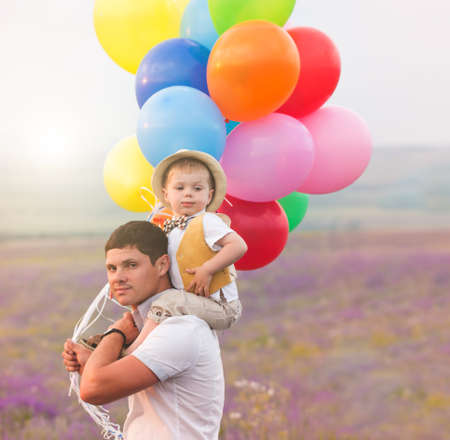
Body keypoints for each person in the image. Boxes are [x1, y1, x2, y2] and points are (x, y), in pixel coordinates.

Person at [62, 221, 225, 439]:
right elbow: (116, 381)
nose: (118, 277)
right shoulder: (151, 328)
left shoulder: (180, 328)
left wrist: (115, 334)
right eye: (112, 268)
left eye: (131, 265)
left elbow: (94, 389)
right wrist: (89, 362)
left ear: (162, 265)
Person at [125, 149, 247, 352]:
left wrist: (207, 269)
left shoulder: (206, 221)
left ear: (209, 196)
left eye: (197, 188)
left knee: (169, 301)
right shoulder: (170, 227)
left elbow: (238, 245)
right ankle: (136, 341)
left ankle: (135, 351)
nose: (188, 193)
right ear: (166, 194)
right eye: (180, 188)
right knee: (145, 301)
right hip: (193, 300)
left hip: (221, 307)